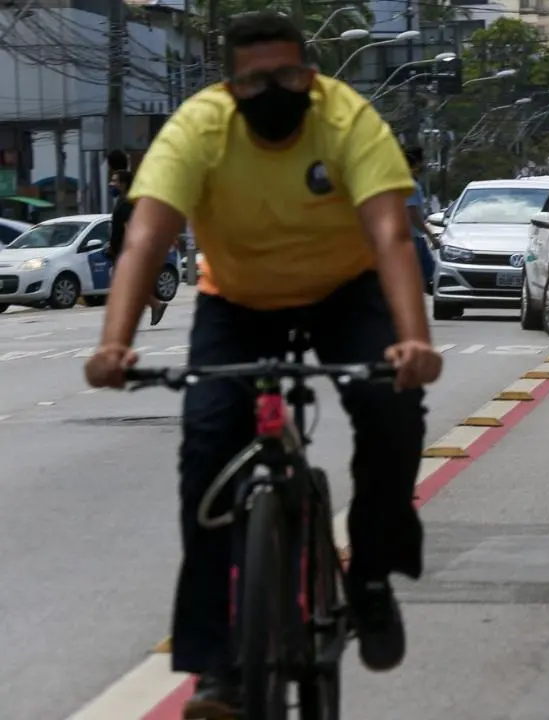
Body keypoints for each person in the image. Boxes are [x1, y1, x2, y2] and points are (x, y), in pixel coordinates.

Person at [82, 13, 443, 717]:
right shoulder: (198, 127)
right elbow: (147, 238)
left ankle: (370, 579)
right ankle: (215, 669)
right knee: (205, 452)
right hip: (239, 302)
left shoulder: (346, 119)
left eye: (286, 76)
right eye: (253, 81)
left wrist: (413, 341)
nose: (272, 91)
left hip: (346, 290)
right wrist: (113, 344)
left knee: (392, 410)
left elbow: (391, 234)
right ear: (229, 87)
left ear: (310, 76)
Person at [106, 169, 169, 326]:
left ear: (124, 184)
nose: (111, 184)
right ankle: (152, 306)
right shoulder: (124, 202)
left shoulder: (127, 204)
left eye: (115, 181)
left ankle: (153, 306)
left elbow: (130, 227)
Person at [403, 146, 435, 295]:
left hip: (414, 237)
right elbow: (413, 215)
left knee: (430, 275)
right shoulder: (410, 186)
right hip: (412, 238)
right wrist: (431, 235)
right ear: (416, 164)